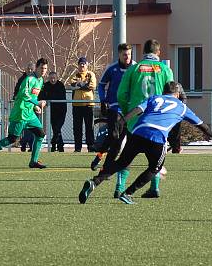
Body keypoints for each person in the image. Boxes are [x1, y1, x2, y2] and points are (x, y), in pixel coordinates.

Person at [80, 82, 212, 204]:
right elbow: (201, 125)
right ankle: (128, 193)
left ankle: (94, 182)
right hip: (157, 137)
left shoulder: (154, 98)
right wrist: (211, 134)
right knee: (155, 168)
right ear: (177, 94)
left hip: (138, 132)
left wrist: (121, 122)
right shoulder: (182, 107)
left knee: (121, 163)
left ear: (164, 91)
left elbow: (137, 110)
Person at [115, 39, 174, 197]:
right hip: (157, 121)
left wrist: (128, 112)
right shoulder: (165, 70)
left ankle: (119, 187)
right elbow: (171, 95)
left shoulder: (134, 69)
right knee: (155, 157)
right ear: (158, 52)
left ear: (143, 53)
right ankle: (154, 187)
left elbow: (121, 94)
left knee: (127, 156)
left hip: (136, 120)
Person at [0, 58, 49, 170]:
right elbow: (24, 94)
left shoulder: (40, 80)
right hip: (20, 113)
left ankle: (33, 161)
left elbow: (32, 97)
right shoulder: (29, 79)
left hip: (30, 114)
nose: (44, 70)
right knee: (12, 139)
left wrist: (35, 106)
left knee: (40, 135)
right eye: (42, 68)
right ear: (37, 67)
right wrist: (37, 102)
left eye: (45, 68)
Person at [91, 42, 133, 170]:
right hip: (114, 107)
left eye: (129, 54)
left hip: (130, 110)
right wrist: (103, 100)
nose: (127, 57)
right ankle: (106, 166)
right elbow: (101, 84)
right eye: (125, 54)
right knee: (114, 136)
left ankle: (100, 156)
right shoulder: (112, 68)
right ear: (119, 54)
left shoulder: (135, 68)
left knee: (119, 140)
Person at [69, 57, 97, 152]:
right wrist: (84, 84)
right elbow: (72, 86)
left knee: (89, 127)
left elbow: (92, 86)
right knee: (77, 128)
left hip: (88, 105)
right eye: (80, 63)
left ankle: (91, 146)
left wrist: (79, 84)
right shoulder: (75, 74)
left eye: (84, 63)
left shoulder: (90, 74)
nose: (82, 65)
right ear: (78, 65)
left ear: (87, 65)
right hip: (77, 105)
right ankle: (77, 148)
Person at [39, 71, 67, 152]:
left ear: (57, 78)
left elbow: (60, 97)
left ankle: (54, 143)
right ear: (49, 78)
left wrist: (50, 98)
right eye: (51, 78)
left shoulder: (60, 85)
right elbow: (42, 96)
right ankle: (59, 146)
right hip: (52, 111)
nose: (53, 80)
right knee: (55, 129)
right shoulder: (46, 85)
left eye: (54, 78)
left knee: (57, 128)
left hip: (61, 110)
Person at [14, 63, 35, 151]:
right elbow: (17, 91)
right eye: (28, 69)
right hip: (23, 107)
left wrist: (37, 103)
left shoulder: (36, 80)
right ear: (26, 69)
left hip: (33, 107)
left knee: (34, 129)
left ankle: (31, 146)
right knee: (25, 127)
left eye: (31, 69)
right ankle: (23, 143)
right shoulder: (22, 79)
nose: (29, 71)